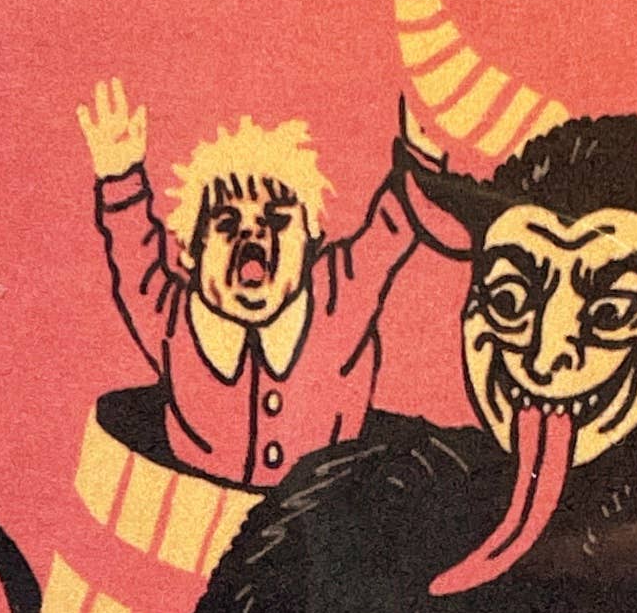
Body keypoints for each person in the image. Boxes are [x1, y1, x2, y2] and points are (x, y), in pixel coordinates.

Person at [77, 79, 417, 490]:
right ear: (192, 251)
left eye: (277, 219)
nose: (254, 236)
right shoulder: (175, 322)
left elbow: (391, 228)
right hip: (202, 517)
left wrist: (422, 156)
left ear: (310, 241)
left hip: (324, 518)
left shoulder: (337, 299)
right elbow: (137, 260)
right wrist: (120, 175)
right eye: (226, 223)